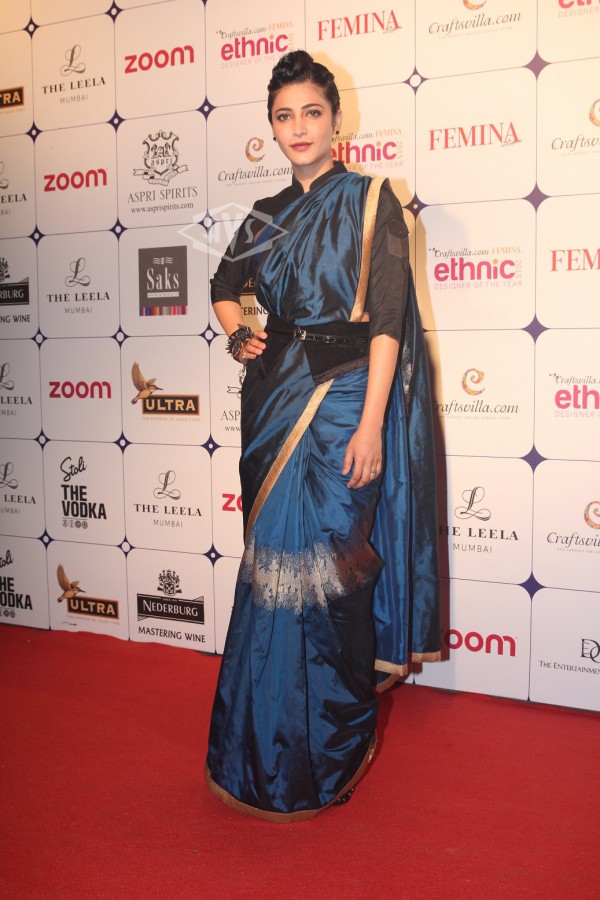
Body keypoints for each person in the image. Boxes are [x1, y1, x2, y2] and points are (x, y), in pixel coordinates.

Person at [205, 50, 440, 822]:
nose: (299, 127)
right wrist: (240, 335)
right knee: (272, 577)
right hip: (274, 404)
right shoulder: (264, 213)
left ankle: (328, 750)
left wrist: (372, 424)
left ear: (337, 120)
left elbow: (389, 322)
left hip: (343, 406)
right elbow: (223, 288)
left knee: (335, 577)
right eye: (284, 116)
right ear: (272, 128)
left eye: (311, 112)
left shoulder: (373, 201)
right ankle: (259, 754)